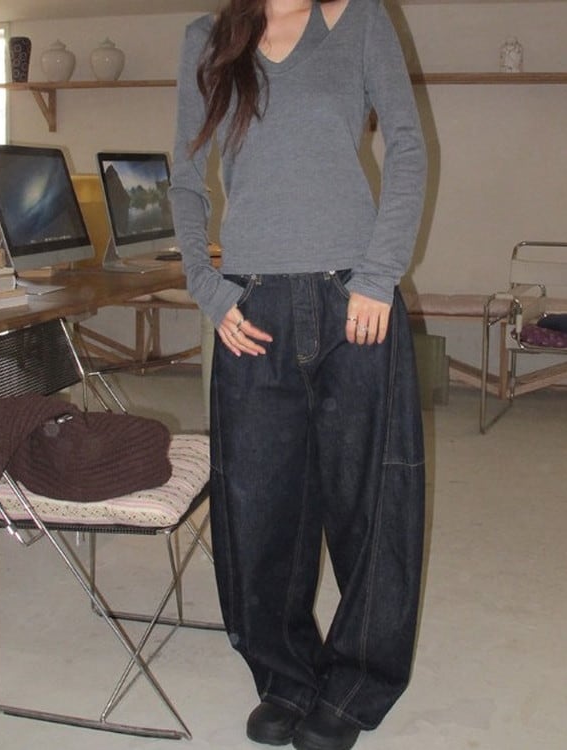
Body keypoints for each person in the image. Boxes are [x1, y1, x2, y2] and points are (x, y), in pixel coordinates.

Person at [169, 1, 426, 748]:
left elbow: (408, 146)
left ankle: (356, 686)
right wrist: (208, 288)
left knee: (371, 503)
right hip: (251, 309)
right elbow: (184, 177)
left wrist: (379, 275)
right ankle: (285, 676)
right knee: (258, 511)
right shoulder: (206, 39)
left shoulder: (362, 21)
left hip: (355, 302)